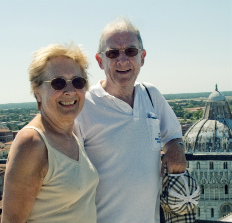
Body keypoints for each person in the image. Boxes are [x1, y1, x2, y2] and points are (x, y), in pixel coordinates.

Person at [74, 17, 187, 223]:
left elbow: (172, 135)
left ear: (142, 57)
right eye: (113, 53)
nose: (123, 60)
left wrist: (175, 147)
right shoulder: (84, 107)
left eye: (131, 51)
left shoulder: (151, 96)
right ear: (100, 61)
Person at [1, 43, 99, 223]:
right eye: (58, 83)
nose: (69, 91)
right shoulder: (32, 143)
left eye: (77, 82)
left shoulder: (72, 135)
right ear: (37, 92)